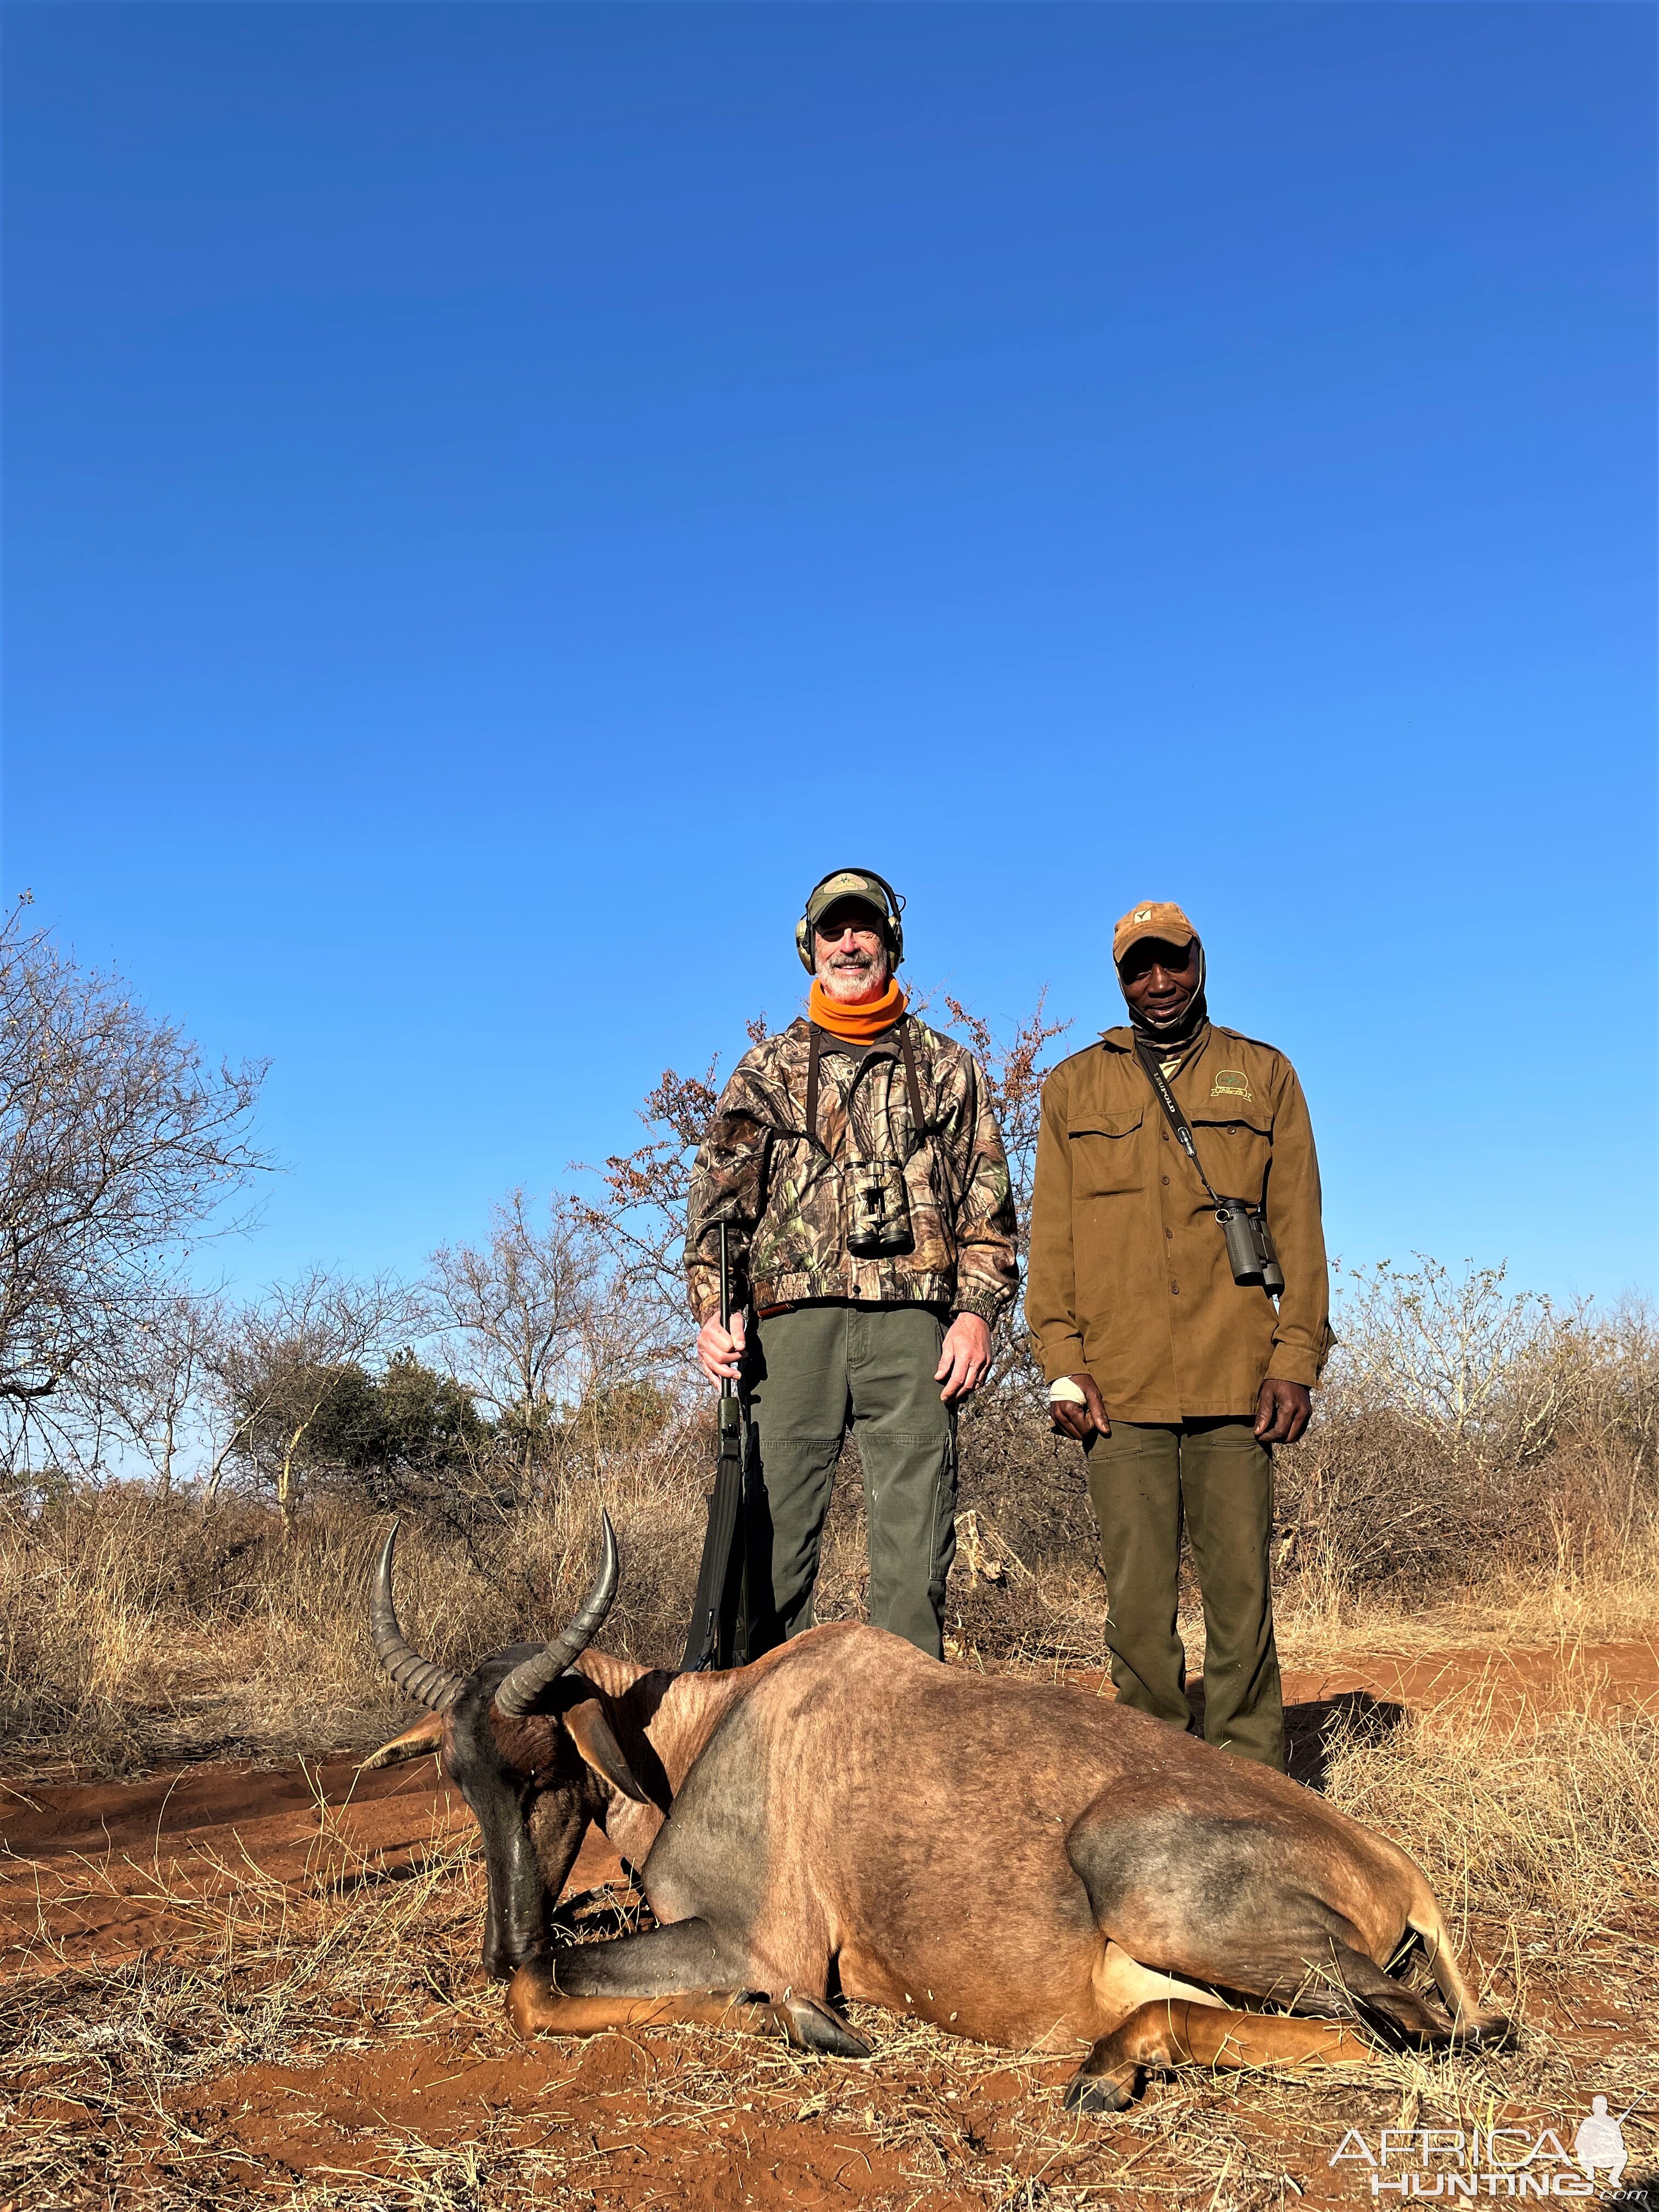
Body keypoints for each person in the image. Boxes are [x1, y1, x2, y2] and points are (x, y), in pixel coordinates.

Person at [1025, 900, 1331, 1769]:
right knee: (1137, 1610)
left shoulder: (1263, 1074)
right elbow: (1052, 1246)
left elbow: (1300, 1230)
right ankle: (1155, 1780)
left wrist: (1296, 1358)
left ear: (1201, 962)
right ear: (1119, 977)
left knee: (1242, 1601)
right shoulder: (1073, 1086)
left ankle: (1254, 1786)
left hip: (1239, 1375)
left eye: (1174, 963)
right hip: (1118, 1389)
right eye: (1139, 968)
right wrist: (1062, 1365)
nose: (1159, 984)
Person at [685, 867, 1018, 1660]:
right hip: (787, 1329)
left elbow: (988, 1205)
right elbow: (718, 1214)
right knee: (770, 1550)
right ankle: (767, 1744)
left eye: (864, 927)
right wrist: (713, 1309)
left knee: (915, 1546)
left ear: (891, 943)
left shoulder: (949, 1065)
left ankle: (905, 1738)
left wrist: (975, 1312)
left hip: (914, 1325)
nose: (849, 943)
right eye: (832, 930)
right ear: (810, 949)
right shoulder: (763, 1070)